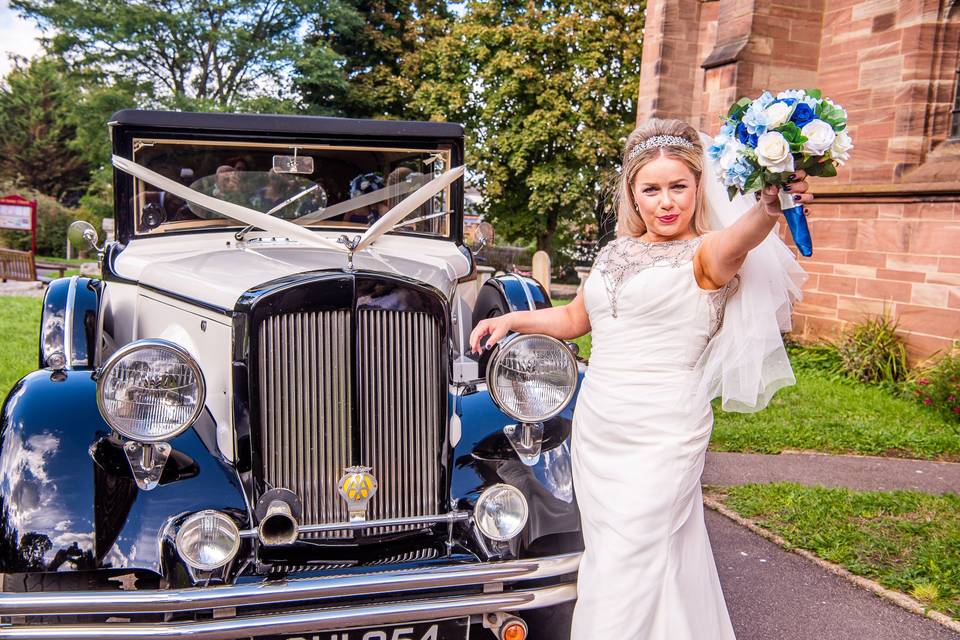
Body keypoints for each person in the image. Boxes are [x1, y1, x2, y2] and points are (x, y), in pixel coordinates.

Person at [469, 118, 809, 639]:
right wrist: (511, 319)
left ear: (698, 189)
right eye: (651, 189)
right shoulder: (614, 253)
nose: (666, 202)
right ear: (633, 193)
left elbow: (740, 242)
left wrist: (767, 210)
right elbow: (574, 320)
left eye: (679, 187)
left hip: (664, 429)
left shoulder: (708, 253)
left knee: (628, 561)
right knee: (623, 556)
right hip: (600, 426)